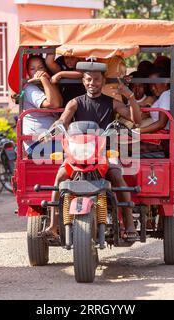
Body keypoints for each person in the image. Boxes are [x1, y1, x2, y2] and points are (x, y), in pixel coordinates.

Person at [42, 62, 142, 242]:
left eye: (96, 79)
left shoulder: (112, 103)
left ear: (103, 81)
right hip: (77, 154)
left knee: (117, 176)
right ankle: (53, 225)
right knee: (60, 177)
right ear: (83, 81)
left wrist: (131, 97)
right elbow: (63, 120)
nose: (92, 83)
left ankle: (129, 224)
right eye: (88, 79)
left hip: (104, 154)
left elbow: (136, 120)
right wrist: (51, 130)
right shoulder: (75, 103)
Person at [22, 55, 63, 156]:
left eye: (41, 68)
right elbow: (54, 104)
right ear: (28, 72)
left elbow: (60, 102)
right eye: (33, 69)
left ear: (46, 69)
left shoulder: (45, 85)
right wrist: (44, 79)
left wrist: (48, 82)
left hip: (51, 137)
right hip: (37, 142)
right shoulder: (29, 88)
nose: (37, 72)